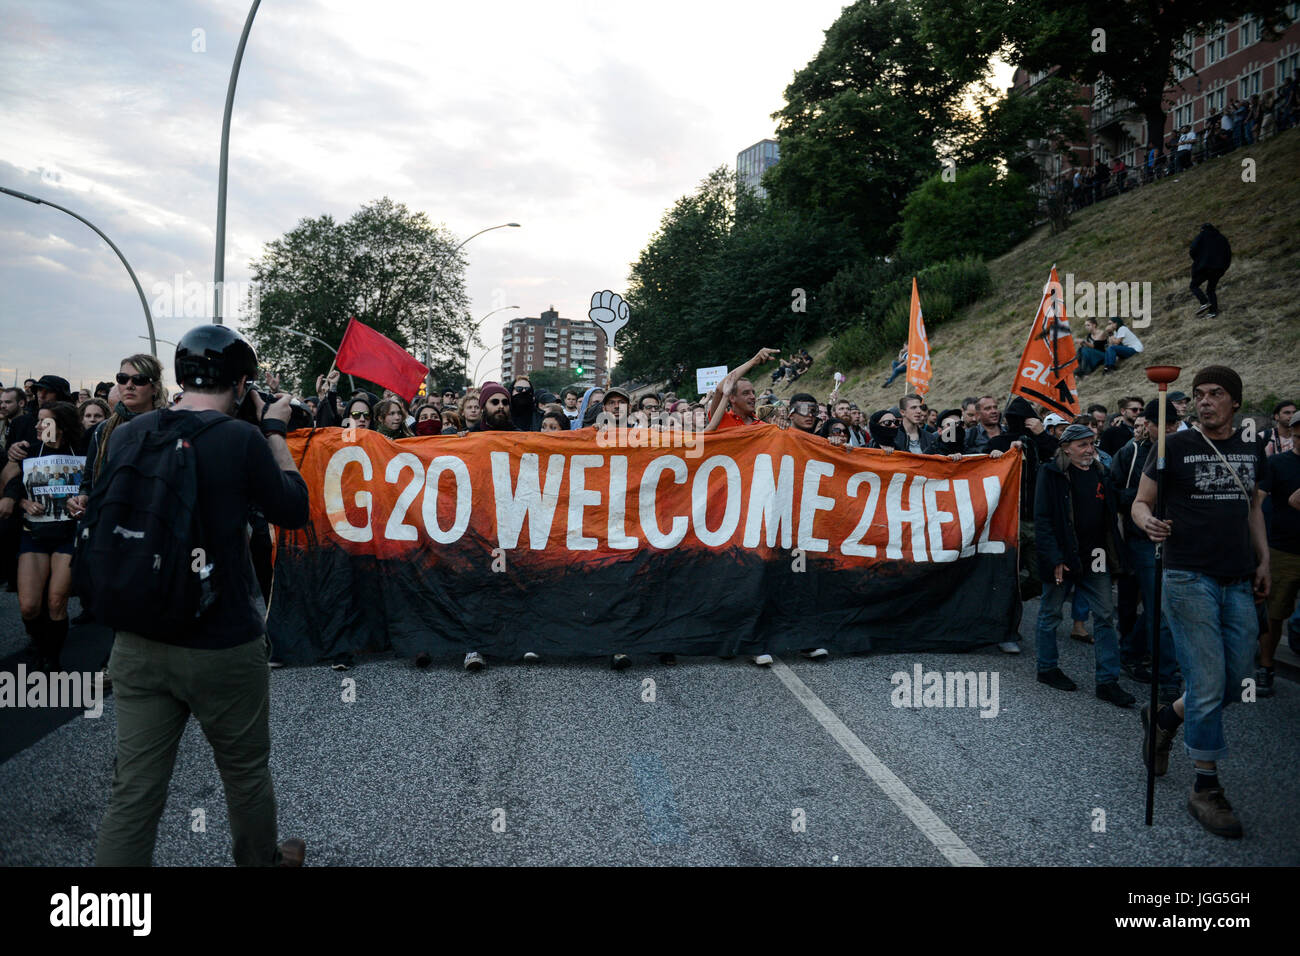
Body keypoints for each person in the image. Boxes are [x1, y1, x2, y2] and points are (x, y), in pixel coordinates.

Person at [92, 325, 310, 866]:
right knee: (243, 772)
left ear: (181, 375)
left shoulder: (128, 433)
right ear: (241, 384)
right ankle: (260, 861)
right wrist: (274, 431)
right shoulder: (239, 440)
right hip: (221, 640)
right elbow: (292, 508)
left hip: (139, 638)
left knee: (135, 790)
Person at [1130, 366, 1266, 839]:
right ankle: (1205, 787)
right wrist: (1147, 522)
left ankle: (1165, 717)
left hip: (1238, 577)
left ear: (1236, 403)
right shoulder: (1174, 447)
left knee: (1236, 680)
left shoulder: (1252, 448)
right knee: (1208, 683)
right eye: (1200, 395)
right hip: (1187, 574)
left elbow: (1253, 508)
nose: (1205, 402)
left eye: (1217, 394)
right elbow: (1141, 503)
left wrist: (1264, 559)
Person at [1033, 424, 1135, 708]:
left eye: (1092, 444)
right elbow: (1042, 519)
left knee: (1104, 616)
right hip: (1064, 558)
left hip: (1096, 558)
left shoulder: (1101, 472)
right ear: (1066, 447)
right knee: (1051, 613)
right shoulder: (1051, 472)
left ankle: (1107, 681)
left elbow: (1113, 511)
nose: (1090, 450)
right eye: (1082, 445)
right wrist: (1054, 558)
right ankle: (1047, 668)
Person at [2, 402, 82, 671]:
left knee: (56, 601)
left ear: (60, 426)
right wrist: (24, 504)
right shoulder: (26, 452)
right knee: (29, 606)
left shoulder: (82, 450)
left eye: (43, 422)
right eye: (37, 421)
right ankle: (38, 642)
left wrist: (84, 499)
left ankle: (51, 657)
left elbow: (96, 483)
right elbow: (11, 488)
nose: (37, 426)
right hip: (34, 534)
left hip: (68, 535)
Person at [1111, 399, 1181, 700]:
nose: (1169, 430)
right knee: (1162, 609)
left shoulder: (1183, 450)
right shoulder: (1131, 453)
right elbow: (1114, 494)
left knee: (1161, 606)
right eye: (1162, 424)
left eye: (1173, 424)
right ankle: (1166, 679)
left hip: (1177, 540)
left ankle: (1129, 650)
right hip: (1141, 539)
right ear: (1148, 425)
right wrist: (1145, 498)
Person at [1258, 413, 1300, 698]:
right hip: (1282, 549)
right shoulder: (1277, 463)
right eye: (1297, 431)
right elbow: (1256, 504)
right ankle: (1265, 665)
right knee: (1274, 614)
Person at [707, 347, 778, 430]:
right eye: (746, 393)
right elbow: (719, 389)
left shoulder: (762, 427)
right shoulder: (722, 419)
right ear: (732, 398)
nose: (753, 397)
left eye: (753, 392)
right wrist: (753, 361)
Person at [1189, 223, 1231, 318]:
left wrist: (1199, 261)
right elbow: (1228, 253)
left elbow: (1192, 249)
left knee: (1194, 285)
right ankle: (1213, 312)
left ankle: (1204, 302)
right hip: (1219, 269)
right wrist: (1224, 267)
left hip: (1205, 267)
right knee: (1211, 290)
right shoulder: (1222, 238)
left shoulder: (1202, 236)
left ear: (1203, 229)